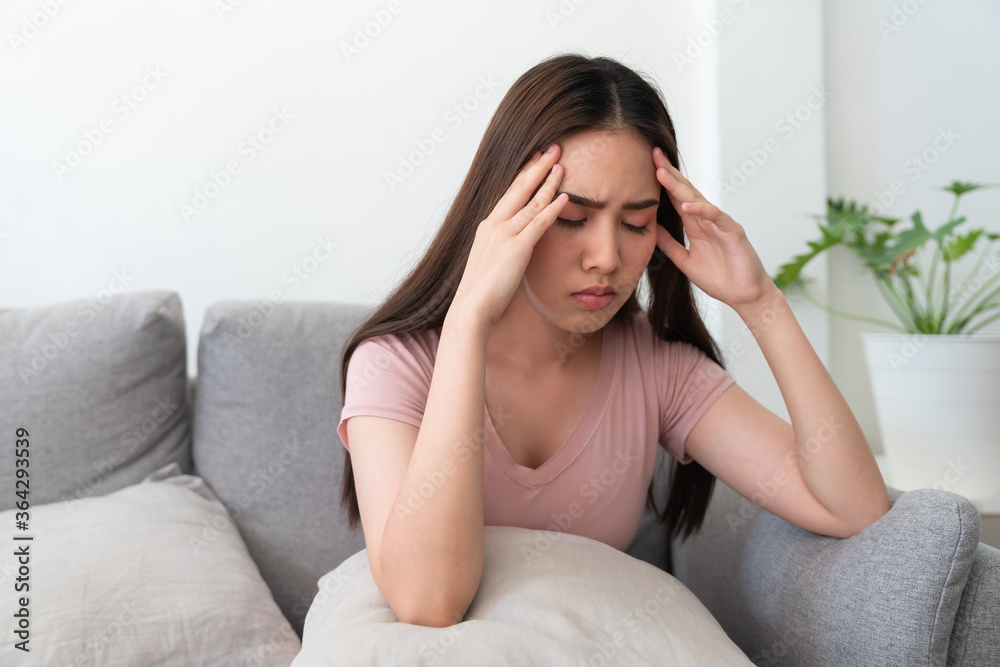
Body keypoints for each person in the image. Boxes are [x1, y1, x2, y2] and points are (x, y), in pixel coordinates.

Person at [335, 53, 891, 628]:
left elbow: (852, 507)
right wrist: (467, 323)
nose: (607, 259)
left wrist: (762, 304)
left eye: (635, 224)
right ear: (504, 212)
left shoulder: (657, 365)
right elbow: (428, 602)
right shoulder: (393, 363)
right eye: (573, 217)